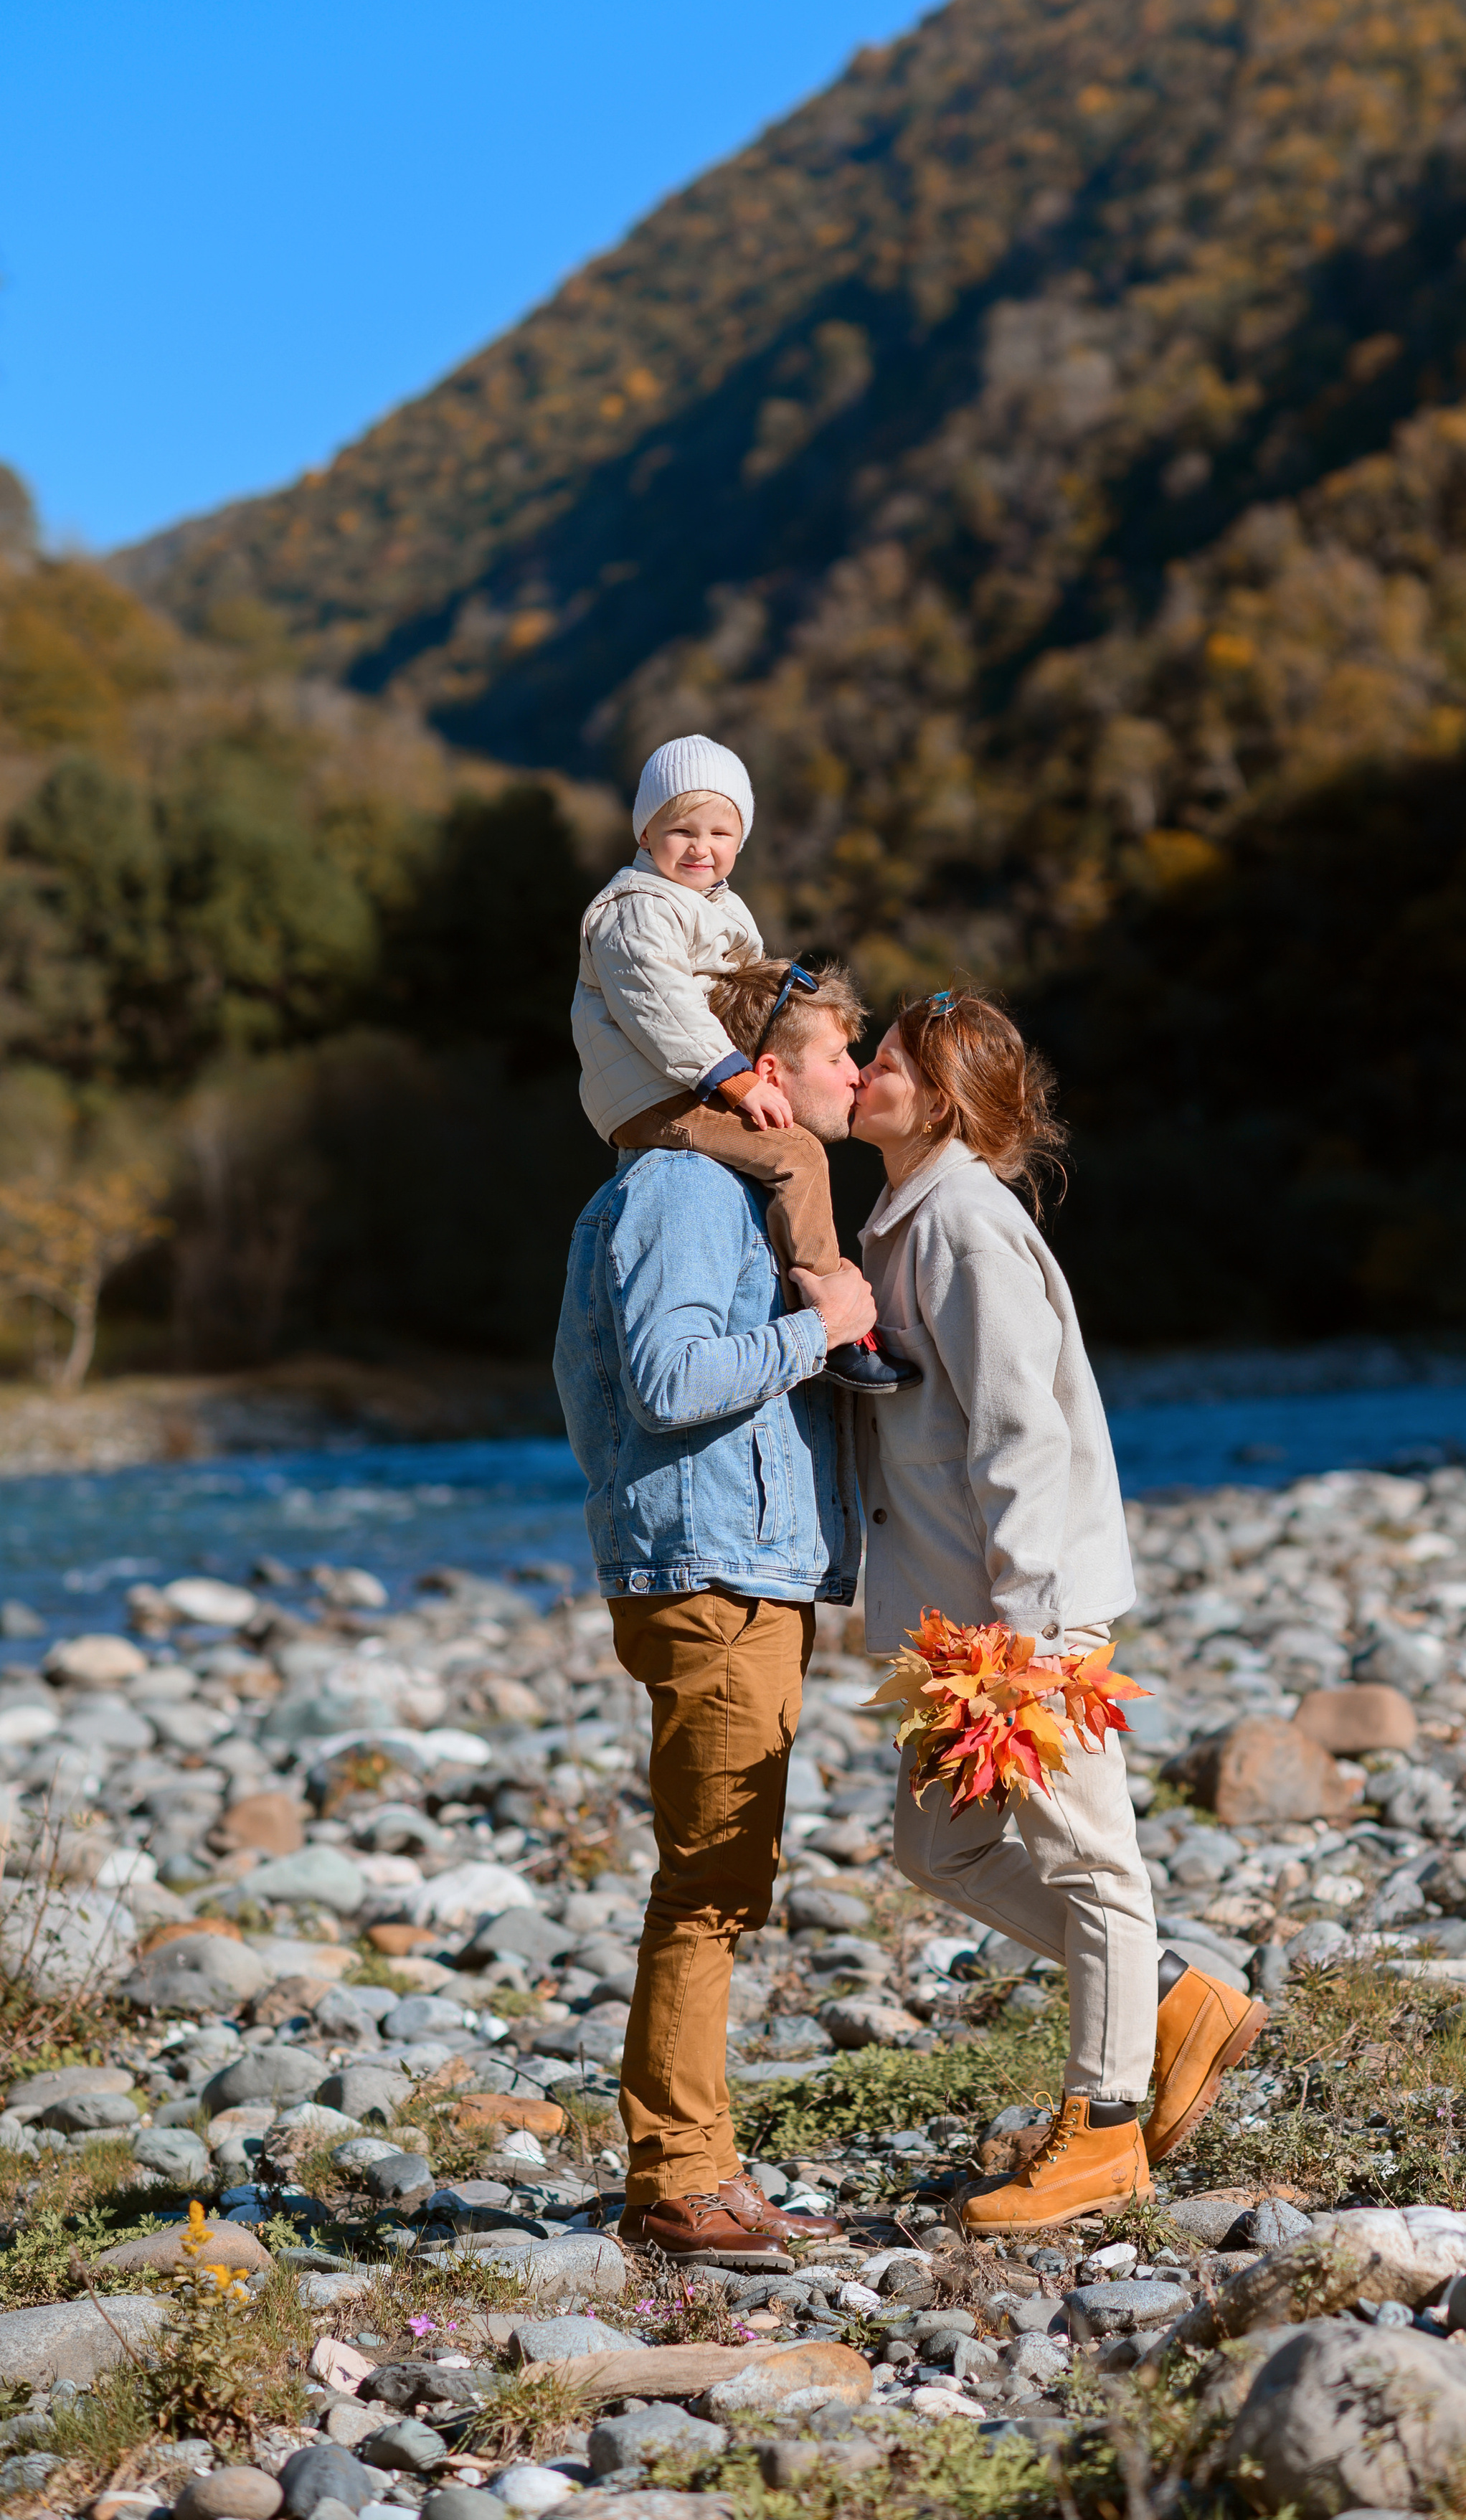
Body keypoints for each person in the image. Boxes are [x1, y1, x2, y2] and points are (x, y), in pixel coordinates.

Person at [849, 986, 1267, 2227]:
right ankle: (1175, 1995)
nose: (863, 1069)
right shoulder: (899, 1216)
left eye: (885, 1059)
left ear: (938, 1098)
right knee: (937, 1849)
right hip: (953, 1629)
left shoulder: (964, 1228)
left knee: (1092, 1860)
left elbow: (1023, 1437)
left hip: (1017, 1622)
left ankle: (1104, 2129)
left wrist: (1030, 1637)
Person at [554, 956, 880, 2257]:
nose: (853, 1075)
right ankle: (677, 2176)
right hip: (706, 1568)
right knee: (707, 1881)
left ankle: (703, 2164)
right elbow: (672, 1382)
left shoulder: (722, 1192)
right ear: (764, 1069)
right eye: (837, 1053)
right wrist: (828, 1325)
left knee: (726, 1875)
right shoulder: (686, 1187)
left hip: (738, 1563)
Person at [572, 729, 914, 1397]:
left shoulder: (719, 907)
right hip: (654, 1092)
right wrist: (735, 1077)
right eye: (680, 829)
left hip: (682, 1079)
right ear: (645, 835)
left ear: (740, 841)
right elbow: (660, 1005)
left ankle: (808, 1283)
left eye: (720, 832)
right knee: (797, 1154)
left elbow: (747, 986)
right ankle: (832, 1320)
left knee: (782, 1159)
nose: (701, 847)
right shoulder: (634, 909)